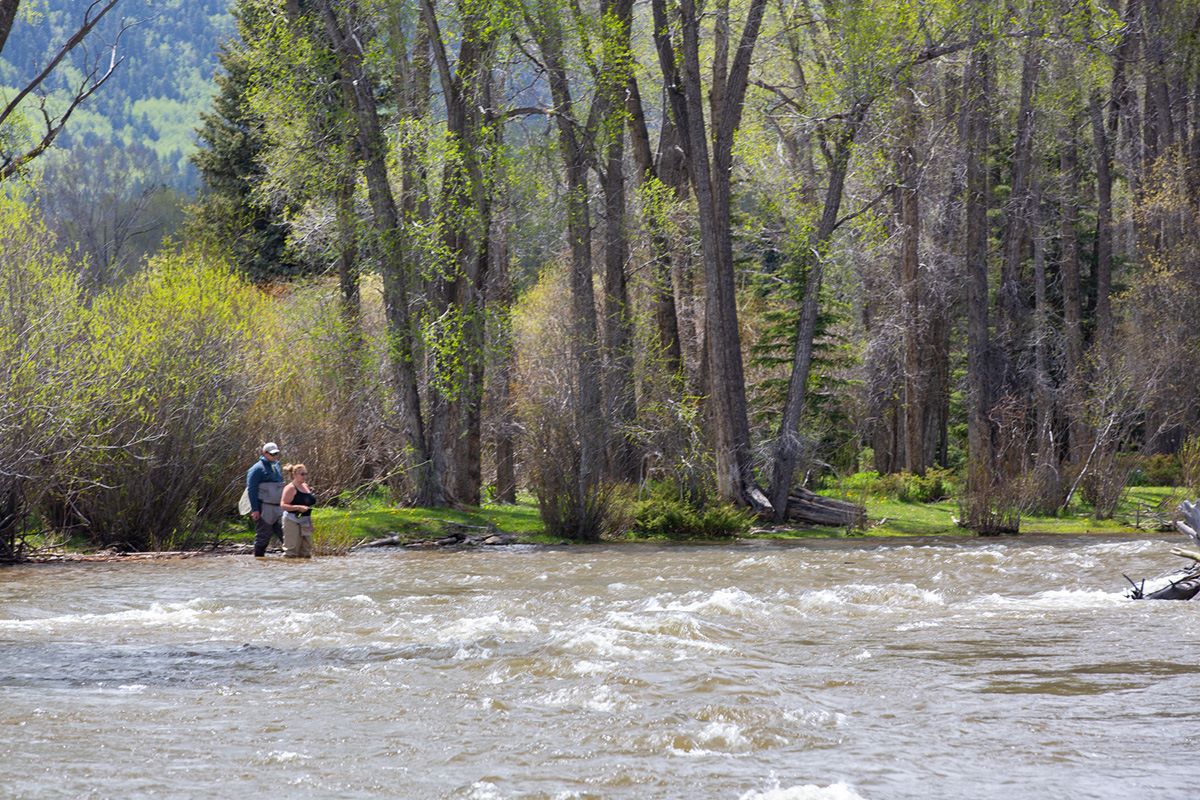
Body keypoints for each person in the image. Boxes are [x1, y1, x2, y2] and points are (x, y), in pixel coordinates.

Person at [246, 442, 284, 557]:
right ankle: (258, 561)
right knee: (263, 538)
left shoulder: (276, 466)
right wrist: (255, 510)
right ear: (264, 453)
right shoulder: (256, 469)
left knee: (285, 535)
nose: (275, 456)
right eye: (272, 454)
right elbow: (251, 490)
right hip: (264, 508)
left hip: (278, 508)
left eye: (276, 453)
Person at [279, 463, 316, 559]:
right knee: (291, 551)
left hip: (306, 521)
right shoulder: (290, 488)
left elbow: (309, 506)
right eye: (302, 474)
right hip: (291, 520)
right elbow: (283, 505)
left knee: (306, 551)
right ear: (294, 475)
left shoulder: (306, 486)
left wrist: (310, 523)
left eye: (306, 473)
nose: (304, 476)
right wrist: (298, 507)